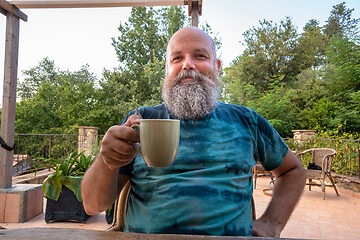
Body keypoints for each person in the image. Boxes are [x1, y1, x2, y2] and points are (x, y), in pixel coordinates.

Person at [81, 27, 305, 238]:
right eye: (177, 58)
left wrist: (271, 223)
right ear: (167, 69)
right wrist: (105, 160)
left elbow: (293, 170)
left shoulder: (247, 121)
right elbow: (92, 206)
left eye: (199, 56)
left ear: (217, 67)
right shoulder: (140, 122)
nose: (187, 64)